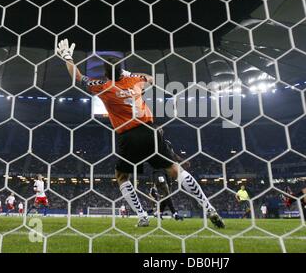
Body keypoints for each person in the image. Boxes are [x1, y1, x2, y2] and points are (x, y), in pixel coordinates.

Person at [57, 39, 224, 228]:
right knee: (176, 171)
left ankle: (143, 216)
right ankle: (208, 207)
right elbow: (151, 79)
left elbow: (78, 77)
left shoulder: (103, 86)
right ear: (121, 70)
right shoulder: (135, 80)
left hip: (127, 137)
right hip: (149, 131)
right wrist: (130, 74)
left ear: (105, 73)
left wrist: (67, 57)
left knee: (122, 176)